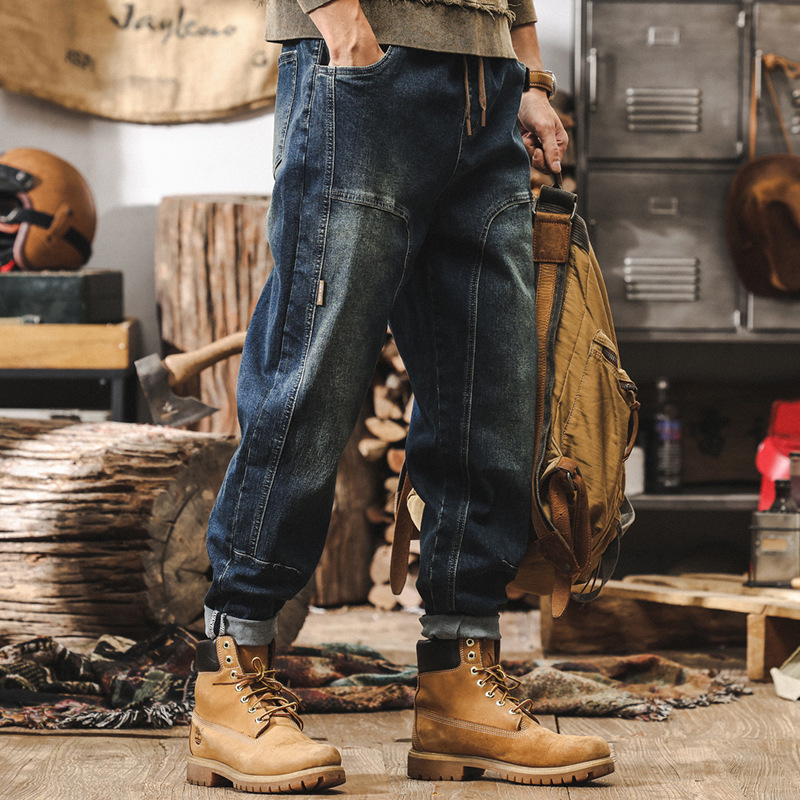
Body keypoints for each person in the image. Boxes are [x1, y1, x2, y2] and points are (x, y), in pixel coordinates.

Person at [187, 0, 614, 792]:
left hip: (487, 82)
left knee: (487, 392)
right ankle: (230, 676)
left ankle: (459, 684)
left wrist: (528, 70)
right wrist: (345, 28)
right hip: (368, 65)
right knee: (311, 381)